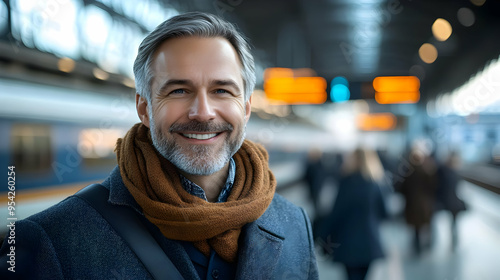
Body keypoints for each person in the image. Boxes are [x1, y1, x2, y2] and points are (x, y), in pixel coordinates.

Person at [0, 12, 318, 279]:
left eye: (222, 90)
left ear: (246, 108)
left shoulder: (295, 224)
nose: (203, 112)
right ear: (144, 108)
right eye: (179, 90)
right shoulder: (49, 241)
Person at [317, 148, 387, 280]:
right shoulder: (375, 184)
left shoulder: (346, 183)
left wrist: (322, 235)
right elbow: (384, 212)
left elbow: (335, 214)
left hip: (348, 244)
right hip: (370, 243)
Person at [397, 147, 438, 255]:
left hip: (412, 204)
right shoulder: (427, 171)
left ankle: (417, 246)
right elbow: (433, 187)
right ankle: (428, 244)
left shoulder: (408, 172)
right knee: (426, 225)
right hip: (425, 204)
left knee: (416, 228)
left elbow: (402, 188)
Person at [435, 151, 466, 251]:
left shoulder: (444, 171)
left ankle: (454, 240)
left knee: (453, 222)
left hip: (448, 201)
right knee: (453, 222)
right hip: (452, 201)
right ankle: (454, 240)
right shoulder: (453, 173)